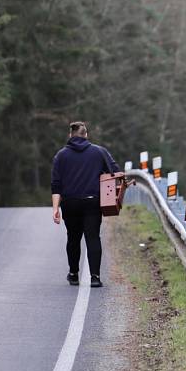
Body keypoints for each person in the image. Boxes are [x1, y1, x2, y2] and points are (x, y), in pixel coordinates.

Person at [51, 121, 118, 287]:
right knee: (93, 237)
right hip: (92, 202)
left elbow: (56, 185)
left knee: (73, 238)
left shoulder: (61, 155)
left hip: (70, 203)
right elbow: (115, 172)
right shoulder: (99, 152)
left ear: (70, 135)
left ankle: (73, 274)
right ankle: (95, 277)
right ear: (86, 134)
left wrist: (55, 209)